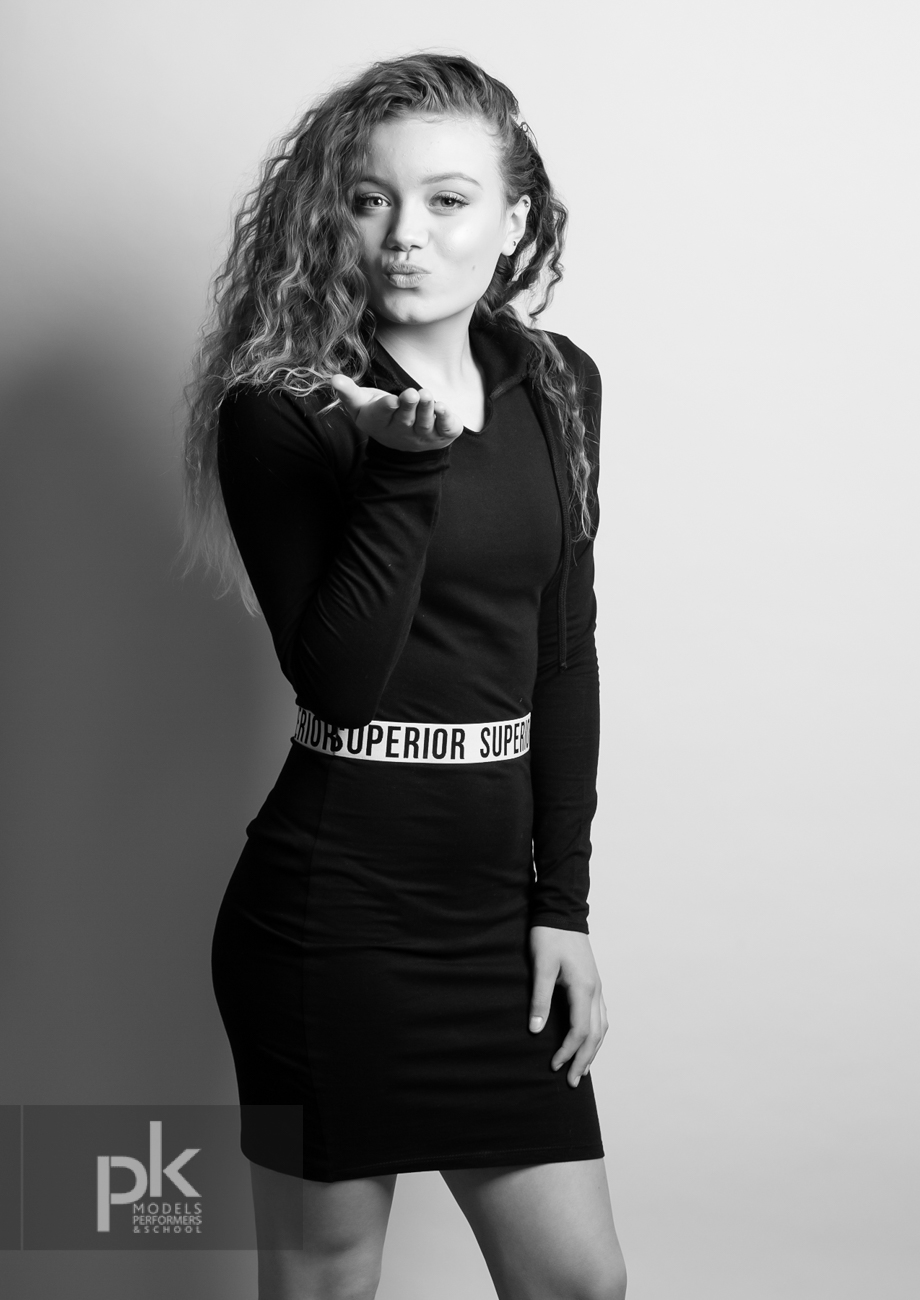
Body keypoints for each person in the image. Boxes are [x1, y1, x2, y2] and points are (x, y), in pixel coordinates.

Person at [184, 50, 627, 1300]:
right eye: (369, 199)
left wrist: (561, 905)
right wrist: (400, 467)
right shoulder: (280, 406)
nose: (404, 236)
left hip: (491, 913)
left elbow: (561, 651)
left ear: (513, 219)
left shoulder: (557, 384)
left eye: (446, 200)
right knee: (324, 1281)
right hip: (331, 917)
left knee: (578, 1283)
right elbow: (338, 681)